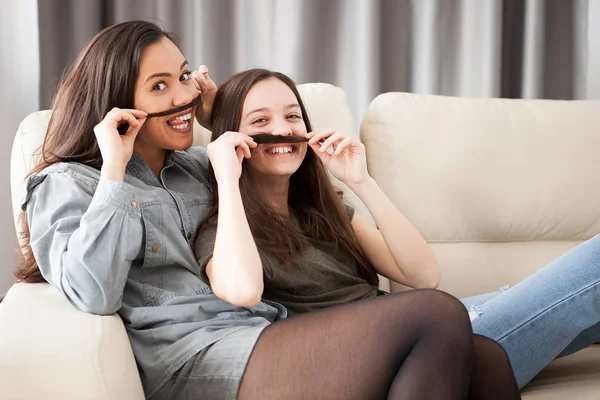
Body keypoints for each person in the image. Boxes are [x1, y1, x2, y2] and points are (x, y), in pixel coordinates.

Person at [13, 21, 519, 400]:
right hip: (189, 361)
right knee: (436, 313)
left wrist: (213, 111)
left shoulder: (192, 166)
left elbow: (249, 148)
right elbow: (92, 292)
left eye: (185, 76)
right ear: (118, 101)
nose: (182, 93)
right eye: (160, 85)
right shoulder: (66, 184)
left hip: (262, 331)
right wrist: (115, 173)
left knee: (487, 359)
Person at [203, 67, 600, 392]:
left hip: (424, 327)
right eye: (261, 121)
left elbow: (421, 274)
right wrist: (227, 176)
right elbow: (241, 291)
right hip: (392, 350)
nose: (284, 129)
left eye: (293, 116)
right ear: (233, 138)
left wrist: (362, 182)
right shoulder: (225, 232)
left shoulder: (322, 209)